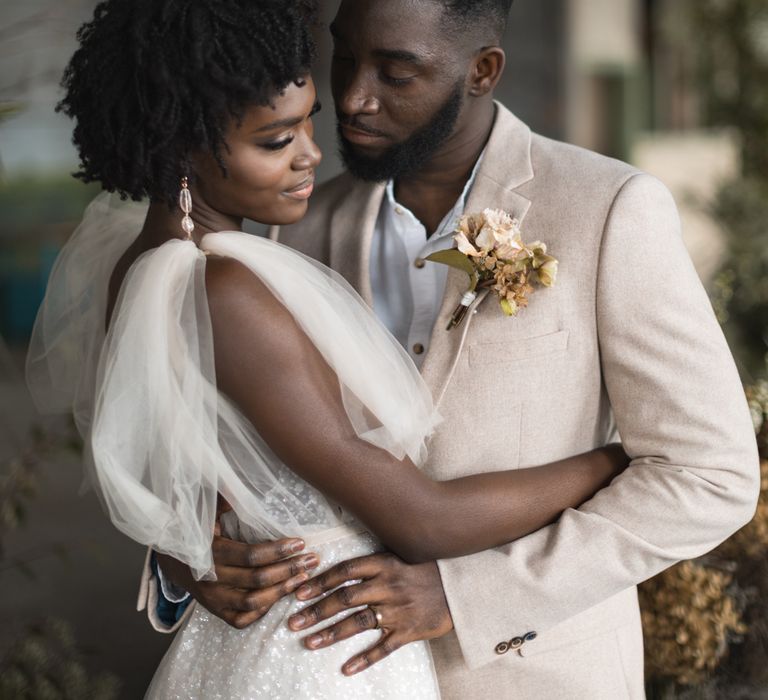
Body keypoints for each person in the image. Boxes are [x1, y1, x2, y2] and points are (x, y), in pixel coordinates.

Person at [143, 0, 761, 698]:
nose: (351, 97)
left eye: (395, 73)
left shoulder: (609, 208)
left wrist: (469, 597)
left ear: (482, 71)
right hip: (323, 673)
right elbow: (205, 444)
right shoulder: (290, 224)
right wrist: (184, 557)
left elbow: (713, 477)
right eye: (344, 57)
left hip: (538, 678)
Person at [26, 0, 634, 698]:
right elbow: (422, 517)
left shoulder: (145, 264)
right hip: (324, 652)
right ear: (180, 147)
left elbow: (194, 474)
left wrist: (192, 551)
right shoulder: (228, 286)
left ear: (483, 70)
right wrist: (613, 459)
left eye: (305, 125)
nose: (316, 148)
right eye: (277, 140)